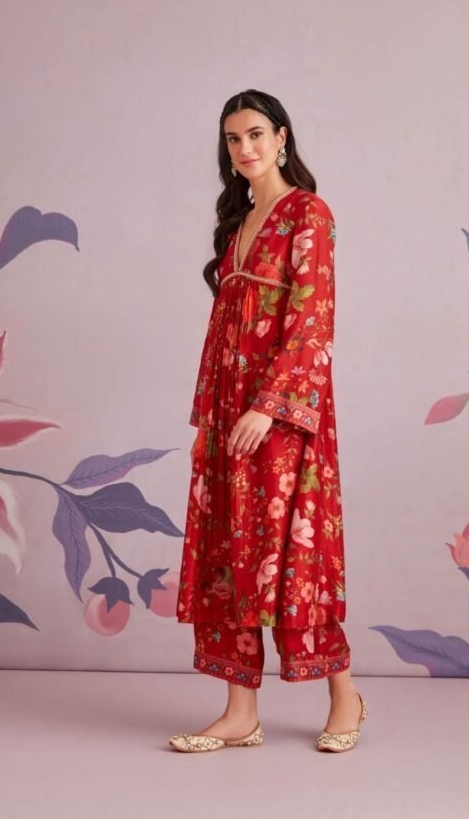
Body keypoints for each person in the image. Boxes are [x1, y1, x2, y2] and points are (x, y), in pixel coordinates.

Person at [169, 89, 367, 753]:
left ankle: (345, 696)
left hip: (283, 413)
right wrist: (209, 418)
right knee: (231, 552)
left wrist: (268, 405)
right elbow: (221, 328)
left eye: (256, 133)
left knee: (290, 555)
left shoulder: (309, 213)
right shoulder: (238, 223)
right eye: (233, 139)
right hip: (231, 412)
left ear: (282, 138)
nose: (245, 148)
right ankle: (239, 713)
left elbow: (314, 320)